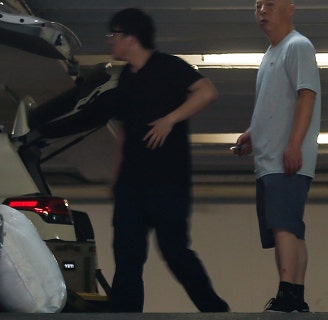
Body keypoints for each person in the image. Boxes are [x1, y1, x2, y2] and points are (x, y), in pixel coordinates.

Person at [105, 8, 230, 313]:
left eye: (114, 36)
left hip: (167, 181)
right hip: (132, 183)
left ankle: (215, 310)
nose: (110, 42)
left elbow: (207, 91)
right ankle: (125, 312)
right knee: (127, 253)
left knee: (174, 251)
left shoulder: (168, 67)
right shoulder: (125, 79)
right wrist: (117, 173)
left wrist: (169, 120)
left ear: (130, 38)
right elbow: (124, 130)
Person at [233, 0, 321, 313]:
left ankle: (287, 294)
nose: (262, 11)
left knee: (283, 225)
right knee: (289, 227)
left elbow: (306, 95)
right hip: (270, 156)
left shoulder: (297, 46)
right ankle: (295, 294)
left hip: (284, 156)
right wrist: (252, 133)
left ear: (290, 8)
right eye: (257, 5)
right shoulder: (271, 53)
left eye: (269, 4)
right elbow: (273, 105)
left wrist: (294, 143)